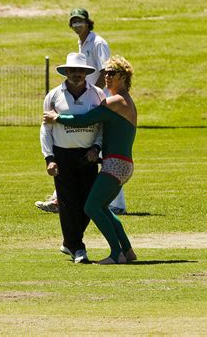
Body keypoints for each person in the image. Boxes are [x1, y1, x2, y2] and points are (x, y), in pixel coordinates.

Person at [43, 55, 138, 265]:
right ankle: (128, 251)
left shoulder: (116, 100)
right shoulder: (122, 99)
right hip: (120, 163)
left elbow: (85, 120)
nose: (107, 77)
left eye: (112, 73)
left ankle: (116, 254)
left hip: (115, 163)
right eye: (105, 73)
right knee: (102, 207)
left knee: (91, 207)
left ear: (123, 76)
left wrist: (57, 117)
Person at [35, 7, 127, 215]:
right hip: (87, 98)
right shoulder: (81, 43)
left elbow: (105, 69)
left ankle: (117, 204)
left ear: (88, 22)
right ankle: (60, 198)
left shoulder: (97, 42)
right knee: (74, 149)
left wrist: (88, 91)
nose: (77, 25)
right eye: (73, 22)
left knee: (103, 151)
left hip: (98, 101)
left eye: (80, 21)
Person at [40, 52, 105, 263]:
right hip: (62, 155)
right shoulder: (53, 95)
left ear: (86, 72)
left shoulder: (96, 94)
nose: (77, 74)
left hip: (88, 156)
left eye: (81, 71)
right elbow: (45, 129)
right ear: (66, 72)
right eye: (73, 71)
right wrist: (49, 157)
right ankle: (78, 248)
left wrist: (96, 148)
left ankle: (69, 242)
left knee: (88, 204)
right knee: (68, 203)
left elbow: (102, 126)